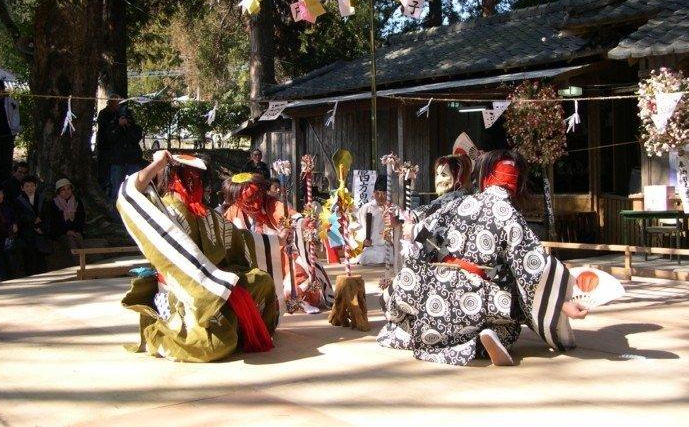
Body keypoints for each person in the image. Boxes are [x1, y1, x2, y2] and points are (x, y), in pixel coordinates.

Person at [378, 150, 587, 366]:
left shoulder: (458, 204)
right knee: (511, 312)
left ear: (486, 176)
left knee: (411, 293)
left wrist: (408, 228)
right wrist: (562, 303)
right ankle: (482, 340)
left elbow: (423, 236)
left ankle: (423, 333)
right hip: (475, 301)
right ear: (517, 183)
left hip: (437, 295)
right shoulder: (510, 216)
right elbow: (533, 270)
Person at [115, 151, 278, 362]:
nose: (194, 181)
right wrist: (157, 164)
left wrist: (276, 240)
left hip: (217, 282)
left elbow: (239, 237)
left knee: (262, 281)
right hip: (183, 289)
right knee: (216, 345)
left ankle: (241, 330)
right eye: (187, 175)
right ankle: (158, 334)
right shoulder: (164, 208)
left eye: (198, 176)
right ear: (172, 176)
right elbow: (128, 195)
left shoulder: (206, 213)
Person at [224, 173, 334, 313]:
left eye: (255, 197)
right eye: (247, 200)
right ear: (237, 199)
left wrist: (302, 222)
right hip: (249, 260)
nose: (253, 204)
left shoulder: (272, 204)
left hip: (280, 256)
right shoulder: (233, 211)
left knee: (294, 278)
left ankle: (297, 299)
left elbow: (290, 217)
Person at [103, 97, 144, 201]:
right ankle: (115, 215)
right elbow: (110, 138)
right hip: (117, 162)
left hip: (133, 162)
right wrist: (118, 126)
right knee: (116, 190)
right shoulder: (112, 125)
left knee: (136, 189)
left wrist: (128, 126)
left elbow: (135, 138)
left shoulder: (135, 127)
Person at [357, 178, 400, 268]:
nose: (380, 197)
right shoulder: (366, 208)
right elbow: (358, 226)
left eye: (384, 194)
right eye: (378, 193)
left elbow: (400, 228)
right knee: (367, 256)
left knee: (389, 256)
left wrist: (392, 240)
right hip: (371, 247)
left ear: (388, 194)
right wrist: (364, 241)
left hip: (389, 247)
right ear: (373, 193)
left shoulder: (395, 209)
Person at [13, 175, 49, 276]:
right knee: (29, 259)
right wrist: (32, 219)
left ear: (36, 186)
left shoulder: (42, 199)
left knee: (41, 259)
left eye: (32, 186)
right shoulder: (18, 201)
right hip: (26, 235)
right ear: (22, 188)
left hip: (40, 234)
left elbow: (47, 216)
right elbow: (18, 216)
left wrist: (42, 229)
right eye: (27, 186)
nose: (30, 189)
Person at [46, 178, 85, 262]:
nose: (66, 192)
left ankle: (84, 263)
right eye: (63, 189)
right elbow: (53, 222)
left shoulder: (77, 202)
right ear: (58, 192)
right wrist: (66, 231)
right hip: (59, 232)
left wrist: (75, 230)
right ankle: (77, 265)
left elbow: (81, 219)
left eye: (68, 189)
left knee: (78, 237)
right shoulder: (53, 203)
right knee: (70, 240)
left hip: (75, 231)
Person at [0, 80, 20, 184]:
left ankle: (6, 183)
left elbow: (16, 114)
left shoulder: (10, 101)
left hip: (7, 135)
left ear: (3, 89)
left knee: (7, 161)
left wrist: (15, 129)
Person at [0, 182, 17, 283]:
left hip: (2, 242)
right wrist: (8, 228)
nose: (3, 195)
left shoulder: (5, 205)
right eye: (1, 193)